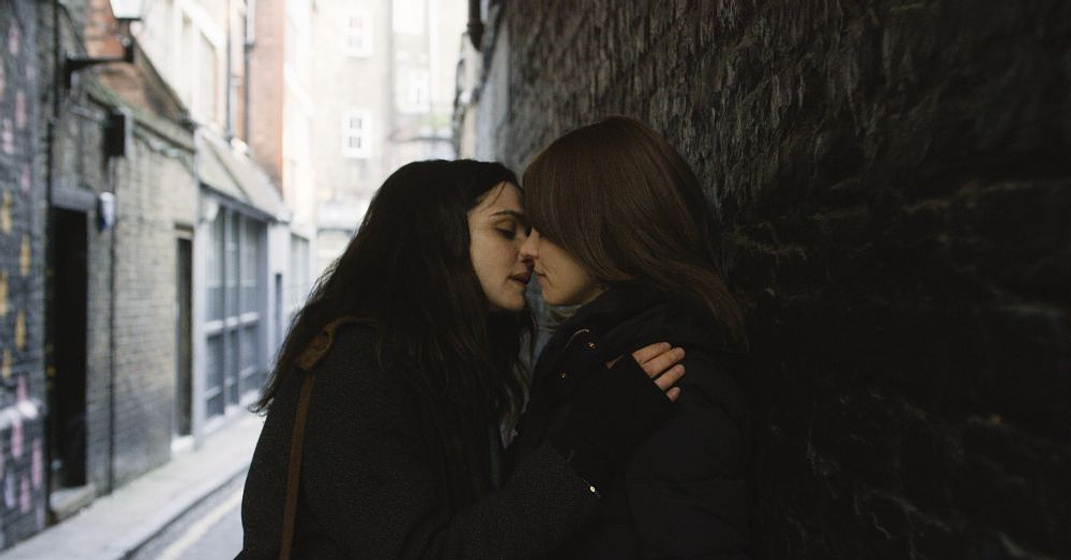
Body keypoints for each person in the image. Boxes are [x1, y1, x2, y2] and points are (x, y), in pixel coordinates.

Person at [237, 159, 686, 559]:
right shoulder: (359, 368)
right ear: (437, 239)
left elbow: (485, 513)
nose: (528, 249)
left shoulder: (435, 365)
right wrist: (594, 436)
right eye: (506, 230)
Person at [512, 116, 752, 558]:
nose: (527, 249)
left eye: (544, 228)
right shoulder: (594, 354)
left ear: (602, 225)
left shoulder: (671, 373)